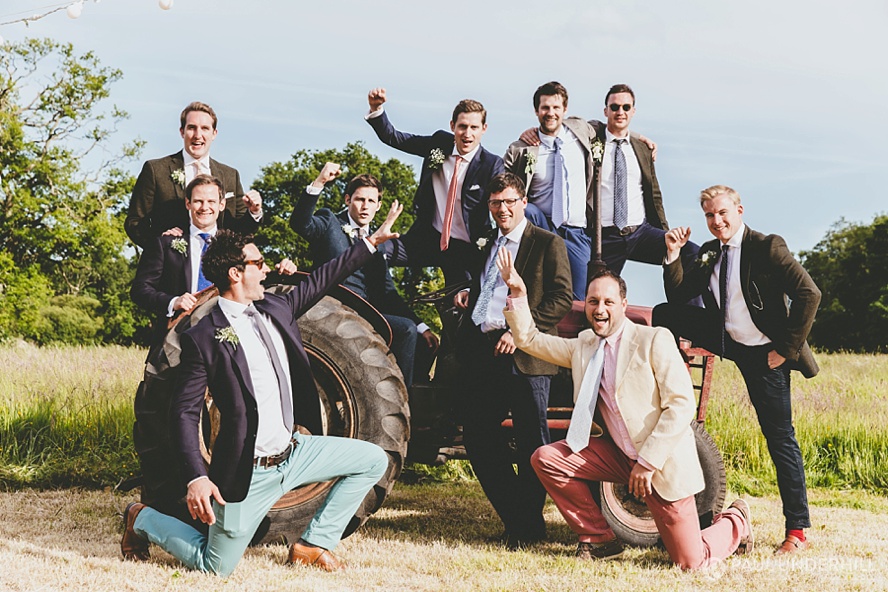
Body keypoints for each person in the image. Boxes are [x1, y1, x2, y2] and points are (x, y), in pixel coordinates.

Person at [120, 201, 403, 576]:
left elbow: (323, 277)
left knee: (371, 460)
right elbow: (185, 412)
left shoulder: (277, 308)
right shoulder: (203, 337)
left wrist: (370, 244)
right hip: (246, 472)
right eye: (258, 263)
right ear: (237, 273)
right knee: (215, 566)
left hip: (296, 453)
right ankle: (141, 519)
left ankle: (312, 544)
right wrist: (197, 477)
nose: (266, 268)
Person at [499, 257, 753, 569]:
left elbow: (681, 404)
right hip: (618, 457)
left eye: (608, 301)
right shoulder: (584, 345)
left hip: (659, 465)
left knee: (690, 563)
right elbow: (529, 340)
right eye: (593, 301)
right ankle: (599, 539)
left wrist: (647, 463)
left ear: (623, 303)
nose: (599, 309)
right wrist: (518, 294)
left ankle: (736, 520)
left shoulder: (654, 339)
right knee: (546, 458)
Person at [653, 184, 821, 555]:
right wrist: (673, 254)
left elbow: (810, 294)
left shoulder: (767, 247)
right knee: (663, 314)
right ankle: (668, 384)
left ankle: (797, 530)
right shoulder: (710, 252)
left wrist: (785, 348)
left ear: (739, 211)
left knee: (780, 439)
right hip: (726, 340)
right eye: (710, 215)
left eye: (723, 213)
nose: (717, 221)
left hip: (764, 353)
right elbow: (679, 295)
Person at [453, 172, 572, 548]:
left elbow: (561, 298)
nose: (501, 209)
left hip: (527, 357)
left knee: (532, 445)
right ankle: (518, 519)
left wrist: (519, 331)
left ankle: (527, 528)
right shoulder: (487, 243)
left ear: (523, 202)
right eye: (495, 203)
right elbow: (487, 287)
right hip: (483, 352)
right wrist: (469, 299)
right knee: (478, 436)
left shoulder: (547, 243)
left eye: (508, 202)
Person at [289, 162, 439, 386]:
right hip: (334, 308)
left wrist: (423, 326)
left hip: (368, 313)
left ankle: (416, 404)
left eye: (371, 201)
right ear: (348, 200)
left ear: (378, 206)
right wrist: (319, 182)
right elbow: (301, 224)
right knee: (405, 330)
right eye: (359, 199)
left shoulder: (380, 238)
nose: (365, 206)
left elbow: (389, 292)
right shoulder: (329, 221)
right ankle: (403, 401)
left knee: (419, 336)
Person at [131, 175, 295, 348]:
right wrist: (173, 301)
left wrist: (284, 270)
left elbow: (259, 276)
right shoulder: (165, 243)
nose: (205, 207)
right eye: (198, 201)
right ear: (188, 204)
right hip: (180, 339)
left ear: (221, 205)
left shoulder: (236, 245)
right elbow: (140, 290)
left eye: (211, 201)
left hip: (233, 338)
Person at [365, 87, 505, 285]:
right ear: (452, 126)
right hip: (426, 238)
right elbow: (395, 138)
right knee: (372, 252)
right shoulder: (439, 143)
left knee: (463, 307)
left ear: (484, 129)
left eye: (474, 127)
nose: (467, 134)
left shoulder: (492, 164)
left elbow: (504, 205)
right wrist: (376, 108)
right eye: (462, 126)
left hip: (464, 250)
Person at [125, 101, 263, 248]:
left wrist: (254, 212)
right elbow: (135, 222)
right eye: (191, 128)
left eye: (205, 128)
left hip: (216, 265)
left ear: (214, 133)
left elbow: (240, 230)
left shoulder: (230, 175)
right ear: (182, 132)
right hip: (170, 267)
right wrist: (162, 244)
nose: (198, 135)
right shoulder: (155, 170)